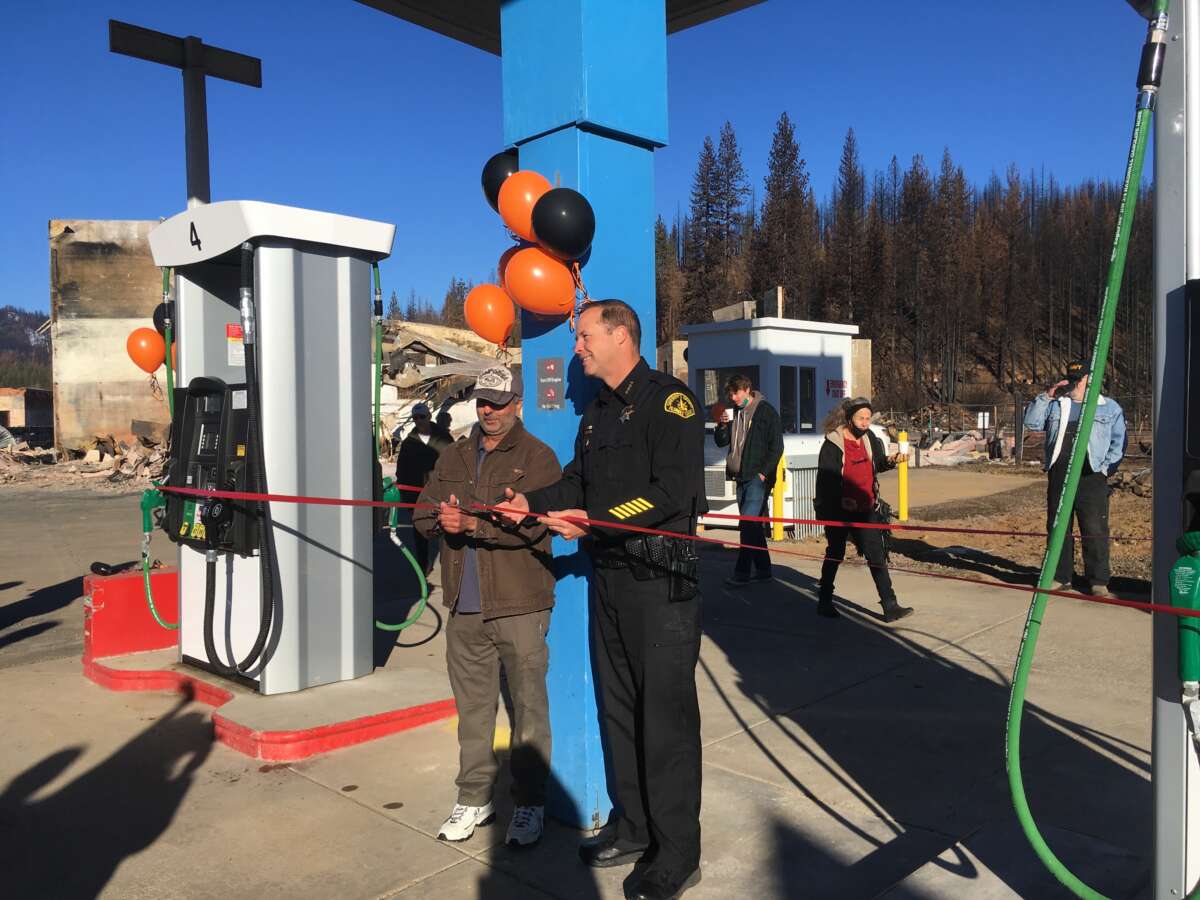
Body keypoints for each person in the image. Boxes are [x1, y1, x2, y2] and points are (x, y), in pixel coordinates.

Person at [500, 300, 706, 900]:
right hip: (611, 580)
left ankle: (677, 853)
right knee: (619, 713)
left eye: (585, 336)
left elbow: (673, 494)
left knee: (665, 724)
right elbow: (577, 481)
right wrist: (532, 505)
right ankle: (635, 828)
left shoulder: (671, 403)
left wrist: (595, 522)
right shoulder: (596, 412)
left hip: (661, 583)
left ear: (621, 335)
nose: (577, 348)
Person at [413, 366, 562, 848]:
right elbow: (421, 513)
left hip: (520, 605)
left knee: (529, 710)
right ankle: (474, 797)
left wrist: (473, 525)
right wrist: (440, 518)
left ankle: (530, 803)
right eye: (482, 402)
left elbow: (538, 527)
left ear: (517, 403)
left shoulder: (538, 457)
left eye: (498, 402)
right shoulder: (454, 453)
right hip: (465, 607)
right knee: (473, 712)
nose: (488, 411)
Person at [1023, 361, 1126, 597]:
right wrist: (1048, 395)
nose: (1074, 383)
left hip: (1091, 475)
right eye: (1071, 378)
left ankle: (1098, 580)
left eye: (1078, 379)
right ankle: (1060, 576)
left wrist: (1105, 469)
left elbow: (1119, 442)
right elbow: (1031, 422)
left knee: (1094, 527)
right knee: (1058, 526)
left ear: (1090, 379)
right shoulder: (1057, 404)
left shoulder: (1108, 408)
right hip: (1060, 474)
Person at [813, 397, 913, 622]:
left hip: (866, 508)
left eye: (868, 418)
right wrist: (841, 500)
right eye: (861, 418)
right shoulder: (833, 444)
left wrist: (892, 460)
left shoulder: (870, 439)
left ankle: (890, 605)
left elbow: (877, 464)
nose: (865, 423)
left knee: (876, 555)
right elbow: (826, 480)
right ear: (849, 419)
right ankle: (824, 601)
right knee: (835, 553)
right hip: (837, 510)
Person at [713, 374, 784, 586]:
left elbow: (776, 447)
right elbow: (721, 442)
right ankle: (763, 569)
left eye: (736, 393)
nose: (733, 398)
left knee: (747, 524)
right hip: (740, 476)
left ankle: (742, 572)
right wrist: (722, 426)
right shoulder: (735, 412)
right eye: (731, 394)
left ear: (746, 389)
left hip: (756, 477)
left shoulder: (766, 412)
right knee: (752, 525)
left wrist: (763, 473)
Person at [396, 402, 453, 571]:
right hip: (418, 496)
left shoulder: (445, 439)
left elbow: (455, 463)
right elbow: (402, 471)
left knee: (447, 529)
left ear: (429, 416)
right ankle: (423, 566)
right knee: (420, 531)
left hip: (441, 493)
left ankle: (449, 565)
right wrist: (406, 498)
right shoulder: (409, 443)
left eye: (422, 417)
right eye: (415, 418)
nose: (419, 420)